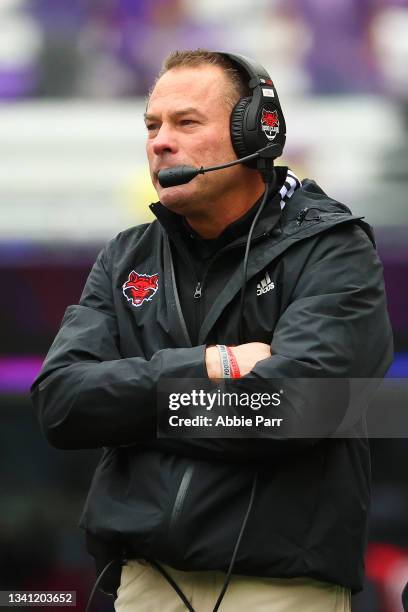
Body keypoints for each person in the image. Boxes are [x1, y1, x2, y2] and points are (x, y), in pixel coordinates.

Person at [31, 49, 393, 612]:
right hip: (144, 583)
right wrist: (211, 367)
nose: (159, 142)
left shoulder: (333, 250)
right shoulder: (125, 257)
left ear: (257, 133)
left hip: (279, 589)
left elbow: (297, 409)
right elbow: (62, 403)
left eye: (185, 122)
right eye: (152, 125)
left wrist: (136, 411)